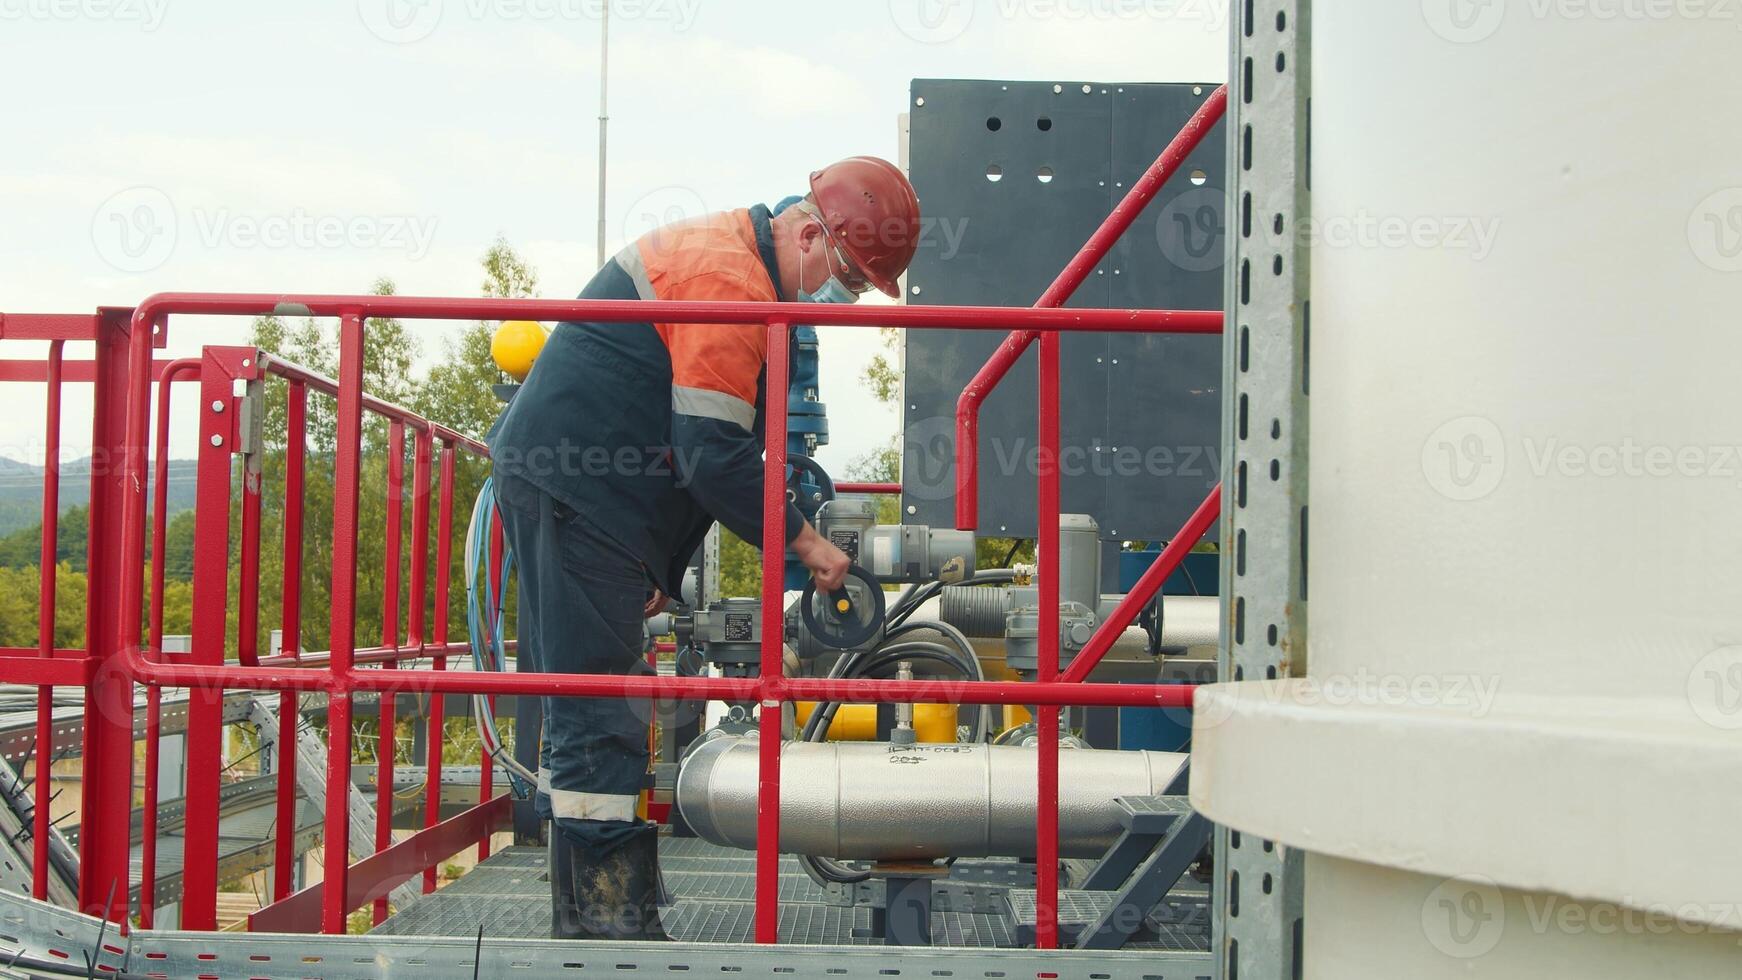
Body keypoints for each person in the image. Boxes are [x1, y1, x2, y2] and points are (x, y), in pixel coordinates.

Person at [486, 156, 922, 940]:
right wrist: (810, 544)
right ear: (810, 232)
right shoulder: (733, 284)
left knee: (607, 703)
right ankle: (603, 932)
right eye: (850, 278)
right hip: (575, 492)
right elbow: (711, 457)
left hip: (596, 500)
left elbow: (691, 447)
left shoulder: (740, 267)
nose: (843, 298)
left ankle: (612, 905)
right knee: (598, 709)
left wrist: (661, 570)